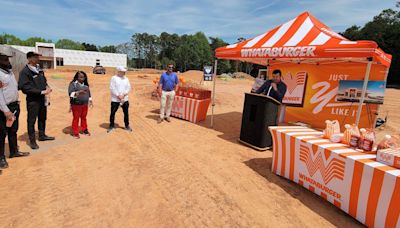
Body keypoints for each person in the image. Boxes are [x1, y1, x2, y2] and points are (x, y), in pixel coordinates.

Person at [18, 51, 55, 150]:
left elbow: (44, 81)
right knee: (31, 120)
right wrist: (42, 92)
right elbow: (25, 87)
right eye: (36, 57)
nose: (38, 58)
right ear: (29, 59)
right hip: (33, 100)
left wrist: (47, 86)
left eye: (38, 57)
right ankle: (32, 141)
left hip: (42, 99)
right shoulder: (25, 72)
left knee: (42, 117)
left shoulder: (39, 69)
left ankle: (42, 135)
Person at [0, 53, 30, 169]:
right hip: (3, 109)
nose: (7, 61)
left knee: (13, 130)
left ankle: (14, 151)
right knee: (2, 133)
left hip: (14, 106)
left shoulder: (9, 72)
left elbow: (13, 88)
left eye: (7, 59)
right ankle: (1, 158)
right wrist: (6, 111)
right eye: (4, 59)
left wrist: (17, 101)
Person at [68, 71, 93, 139]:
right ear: (77, 77)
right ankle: (75, 132)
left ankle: (84, 129)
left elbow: (89, 93)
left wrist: (90, 100)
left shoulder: (85, 85)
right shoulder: (73, 84)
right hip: (76, 105)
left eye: (83, 77)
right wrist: (78, 92)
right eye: (80, 77)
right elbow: (70, 94)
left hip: (85, 105)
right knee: (76, 118)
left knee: (84, 118)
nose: (82, 78)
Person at [108, 66, 132, 133]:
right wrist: (118, 95)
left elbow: (128, 87)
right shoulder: (114, 78)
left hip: (125, 99)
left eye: (124, 72)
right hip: (115, 99)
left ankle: (127, 125)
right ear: (118, 71)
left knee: (126, 113)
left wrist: (124, 94)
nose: (124, 73)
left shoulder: (126, 79)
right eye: (122, 72)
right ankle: (111, 125)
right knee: (113, 113)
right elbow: (112, 88)